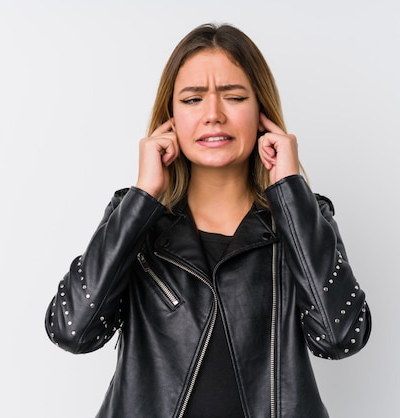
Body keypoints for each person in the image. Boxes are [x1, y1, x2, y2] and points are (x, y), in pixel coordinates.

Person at [45, 23, 371, 418]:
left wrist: (288, 187)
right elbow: (72, 330)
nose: (213, 115)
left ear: (261, 113)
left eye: (233, 97)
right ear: (171, 119)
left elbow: (339, 338)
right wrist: (144, 194)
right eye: (193, 99)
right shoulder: (135, 219)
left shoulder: (303, 218)